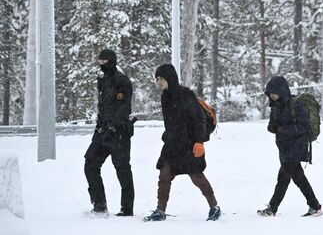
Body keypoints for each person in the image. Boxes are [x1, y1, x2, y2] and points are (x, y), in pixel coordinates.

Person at [144, 64, 221, 221]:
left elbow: (199, 119)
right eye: (157, 79)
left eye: (161, 79)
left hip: (188, 144)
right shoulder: (165, 96)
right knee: (164, 176)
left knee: (197, 176)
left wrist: (199, 141)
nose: (158, 82)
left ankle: (214, 207)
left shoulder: (186, 95)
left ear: (169, 79)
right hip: (172, 144)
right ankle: (160, 211)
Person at [257, 76, 322, 217]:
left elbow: (304, 126)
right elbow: (272, 127)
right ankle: (315, 206)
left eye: (274, 93)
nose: (272, 96)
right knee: (299, 178)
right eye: (270, 93)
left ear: (281, 91)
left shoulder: (295, 104)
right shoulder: (275, 106)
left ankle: (272, 208)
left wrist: (283, 129)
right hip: (284, 147)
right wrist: (273, 127)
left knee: (283, 178)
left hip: (296, 146)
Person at [84, 49, 135, 216]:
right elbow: (104, 107)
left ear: (111, 61)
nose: (100, 65)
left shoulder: (122, 81)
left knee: (122, 168)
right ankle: (99, 204)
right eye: (99, 62)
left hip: (119, 132)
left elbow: (124, 107)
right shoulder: (103, 80)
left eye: (103, 61)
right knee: (90, 163)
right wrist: (100, 125)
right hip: (102, 131)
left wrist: (113, 125)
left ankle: (126, 209)